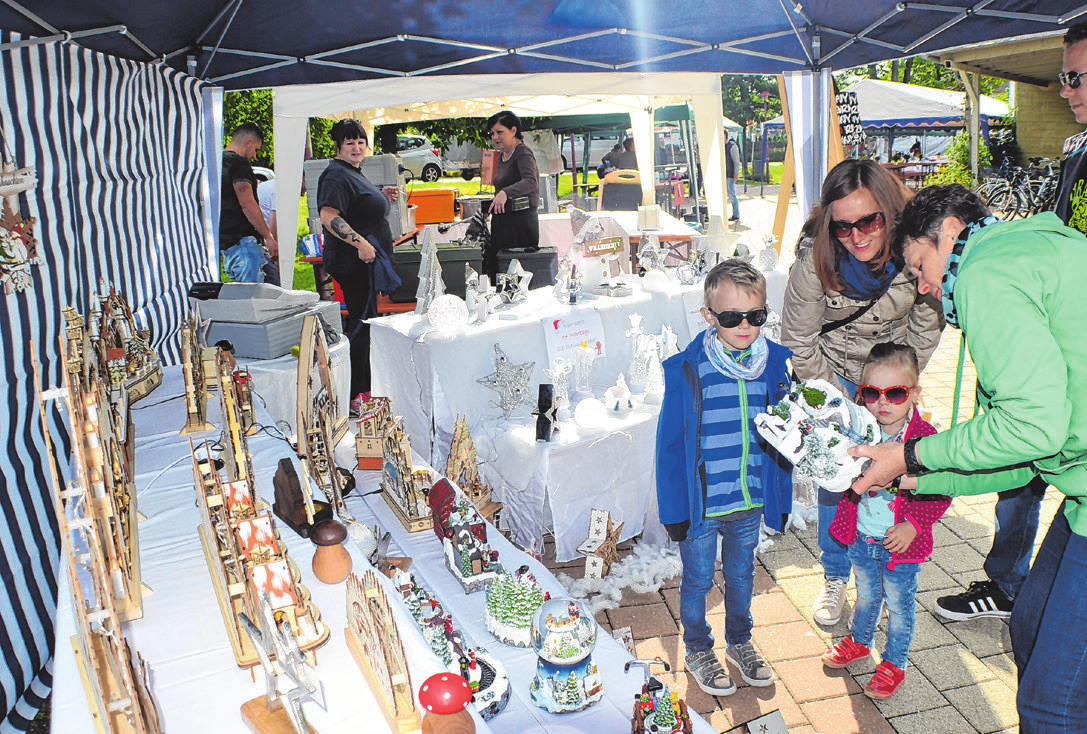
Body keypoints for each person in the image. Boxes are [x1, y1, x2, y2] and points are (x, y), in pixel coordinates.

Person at [850, 184, 1087, 731]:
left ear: (952, 232)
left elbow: (1029, 426)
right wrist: (911, 478)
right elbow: (1027, 455)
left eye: (920, 266)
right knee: (1028, 623)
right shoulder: (1022, 246)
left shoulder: (983, 272)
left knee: (1052, 704)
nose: (927, 288)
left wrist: (909, 452)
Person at [932, 21, 1087, 624]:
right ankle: (1006, 581)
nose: (1065, 89)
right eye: (1064, 76)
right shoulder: (1078, 151)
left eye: (1076, 77)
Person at [780, 158, 943, 628]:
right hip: (830, 377)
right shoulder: (816, 256)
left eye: (869, 220)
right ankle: (834, 575)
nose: (858, 236)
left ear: (889, 213)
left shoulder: (917, 247)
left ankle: (886, 570)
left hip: (888, 376)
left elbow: (927, 322)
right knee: (838, 481)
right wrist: (843, 405)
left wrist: (894, 388)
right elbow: (799, 339)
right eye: (844, 225)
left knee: (893, 474)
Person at [655, 260, 792, 696]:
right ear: (710, 317)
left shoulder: (773, 366)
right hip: (703, 505)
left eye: (757, 316)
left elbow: (787, 436)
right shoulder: (689, 369)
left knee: (742, 575)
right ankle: (696, 645)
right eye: (732, 318)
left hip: (748, 501)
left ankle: (740, 640)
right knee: (696, 580)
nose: (746, 326)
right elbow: (670, 448)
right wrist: (675, 509)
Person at [821, 342, 949, 699]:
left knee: (899, 605)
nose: (882, 402)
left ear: (914, 394)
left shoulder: (924, 441)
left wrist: (913, 525)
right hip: (862, 537)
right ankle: (860, 641)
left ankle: (894, 661)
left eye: (895, 393)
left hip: (900, 546)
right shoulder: (858, 432)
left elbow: (942, 490)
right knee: (866, 595)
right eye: (871, 393)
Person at [317, 119, 400, 412]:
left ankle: (363, 390)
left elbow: (356, 203)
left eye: (360, 142)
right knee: (361, 326)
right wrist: (360, 243)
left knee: (366, 325)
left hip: (364, 262)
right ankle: (357, 396)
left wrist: (380, 196)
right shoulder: (334, 176)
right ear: (338, 145)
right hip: (354, 262)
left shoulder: (350, 172)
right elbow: (329, 216)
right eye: (350, 142)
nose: (356, 147)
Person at [485, 110, 539, 280]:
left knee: (517, 275)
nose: (495, 137)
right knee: (500, 272)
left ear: (513, 131)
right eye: (493, 133)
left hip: (520, 224)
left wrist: (505, 192)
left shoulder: (523, 153)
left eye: (500, 132)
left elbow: (531, 181)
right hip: (502, 223)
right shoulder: (500, 157)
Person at [220, 123, 278, 282]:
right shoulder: (238, 163)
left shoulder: (214, 163)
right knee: (260, 300)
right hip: (244, 245)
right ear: (248, 142)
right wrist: (269, 237)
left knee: (274, 287)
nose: (254, 155)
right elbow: (247, 203)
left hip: (228, 245)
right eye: (256, 149)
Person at [255, 179, 282, 286]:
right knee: (274, 284)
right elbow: (274, 220)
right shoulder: (280, 189)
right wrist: (274, 244)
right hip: (263, 241)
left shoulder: (268, 184)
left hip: (255, 237)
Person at [725, 130, 742, 223]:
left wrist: (736, 174)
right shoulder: (721, 146)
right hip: (724, 175)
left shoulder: (731, 146)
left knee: (732, 194)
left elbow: (736, 161)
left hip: (730, 175)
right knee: (728, 194)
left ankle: (736, 214)